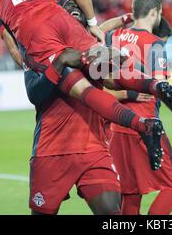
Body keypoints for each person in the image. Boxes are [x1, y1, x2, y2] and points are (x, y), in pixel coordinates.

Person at [0, 0, 172, 170]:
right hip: (62, 22)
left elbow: (11, 44)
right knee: (108, 72)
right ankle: (158, 87)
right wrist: (91, 22)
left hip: (40, 41)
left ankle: (143, 126)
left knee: (82, 90)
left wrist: (29, 65)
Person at [104, 0, 172, 215]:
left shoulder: (114, 37)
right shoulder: (154, 44)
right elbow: (161, 87)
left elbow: (94, 31)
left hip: (118, 125)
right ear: (154, 13)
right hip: (145, 125)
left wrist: (123, 20)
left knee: (131, 193)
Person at [23, 49, 121, 215]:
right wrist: (60, 62)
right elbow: (35, 94)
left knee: (112, 213)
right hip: (51, 151)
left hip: (93, 148)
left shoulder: (91, 46)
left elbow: (114, 82)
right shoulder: (36, 50)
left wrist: (117, 55)